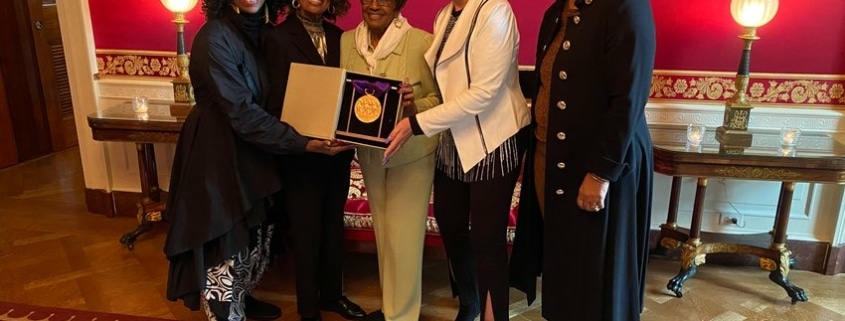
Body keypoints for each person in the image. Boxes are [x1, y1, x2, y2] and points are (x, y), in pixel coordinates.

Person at [162, 0, 352, 320]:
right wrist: (301, 142)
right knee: (226, 233)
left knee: (252, 233)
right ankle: (225, 311)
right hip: (218, 153)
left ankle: (243, 299)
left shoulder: (259, 32)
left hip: (254, 149)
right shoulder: (213, 38)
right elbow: (242, 112)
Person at [508, 0, 656, 320]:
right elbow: (551, 84)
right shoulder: (557, 11)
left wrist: (601, 173)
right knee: (564, 263)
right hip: (551, 157)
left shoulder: (625, 7)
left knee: (596, 274)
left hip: (598, 164)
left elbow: (628, 98)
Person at [383, 0, 530, 319]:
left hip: (494, 137)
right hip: (452, 140)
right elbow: (446, 85)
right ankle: (470, 299)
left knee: (487, 240)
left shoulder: (496, 11)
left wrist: (416, 124)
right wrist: (413, 101)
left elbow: (484, 92)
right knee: (450, 225)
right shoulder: (444, 15)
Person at [263, 1, 366, 320]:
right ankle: (309, 309)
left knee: (333, 227)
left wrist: (350, 134)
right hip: (302, 154)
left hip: (337, 152)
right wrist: (307, 142)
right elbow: (272, 103)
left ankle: (333, 295)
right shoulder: (277, 39)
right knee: (307, 234)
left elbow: (353, 92)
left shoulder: (343, 38)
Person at [339, 0, 440, 320]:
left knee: (404, 241)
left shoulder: (421, 41)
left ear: (397, 4)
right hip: (370, 155)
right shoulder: (346, 42)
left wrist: (412, 104)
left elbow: (439, 100)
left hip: (411, 155)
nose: (373, 5)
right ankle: (392, 309)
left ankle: (403, 315)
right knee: (385, 236)